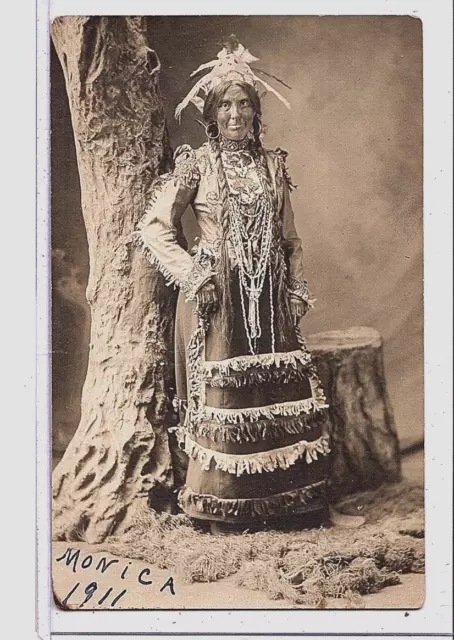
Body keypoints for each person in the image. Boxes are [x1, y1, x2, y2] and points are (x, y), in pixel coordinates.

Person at [134, 36, 364, 533]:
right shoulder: (196, 164)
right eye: (226, 106)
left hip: (271, 298)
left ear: (255, 113)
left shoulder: (273, 165)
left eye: (244, 104)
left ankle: (297, 506)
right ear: (211, 114)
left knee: (279, 399)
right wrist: (197, 275)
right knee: (227, 402)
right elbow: (154, 226)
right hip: (219, 299)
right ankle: (224, 515)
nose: (235, 114)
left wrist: (296, 291)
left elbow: (290, 238)